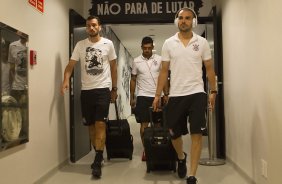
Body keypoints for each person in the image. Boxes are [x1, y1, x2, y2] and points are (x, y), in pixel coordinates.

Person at [152, 7, 217, 184]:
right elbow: (164, 71)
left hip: (197, 93)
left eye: (188, 18)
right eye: (181, 18)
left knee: (196, 134)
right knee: (173, 133)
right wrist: (158, 95)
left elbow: (209, 69)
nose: (184, 21)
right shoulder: (168, 43)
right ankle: (181, 157)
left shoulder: (202, 42)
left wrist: (213, 91)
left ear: (193, 22)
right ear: (176, 21)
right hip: (176, 95)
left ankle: (192, 175)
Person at [60, 15, 118, 178]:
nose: (91, 28)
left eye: (94, 25)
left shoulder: (108, 44)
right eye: (88, 26)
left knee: (100, 124)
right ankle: (98, 154)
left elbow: (114, 67)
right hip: (86, 92)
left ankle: (97, 159)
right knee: (91, 127)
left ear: (99, 27)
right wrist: (66, 80)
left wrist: (114, 88)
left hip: (102, 90)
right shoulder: (80, 45)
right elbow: (70, 65)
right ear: (86, 28)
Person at [130, 36, 168, 161]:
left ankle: (157, 147)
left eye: (149, 48)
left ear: (152, 47)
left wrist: (166, 94)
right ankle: (146, 149)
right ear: (141, 47)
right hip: (143, 96)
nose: (147, 50)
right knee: (144, 125)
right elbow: (133, 79)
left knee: (158, 124)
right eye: (144, 48)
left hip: (158, 96)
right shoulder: (136, 61)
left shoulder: (160, 59)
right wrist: (132, 97)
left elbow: (164, 77)